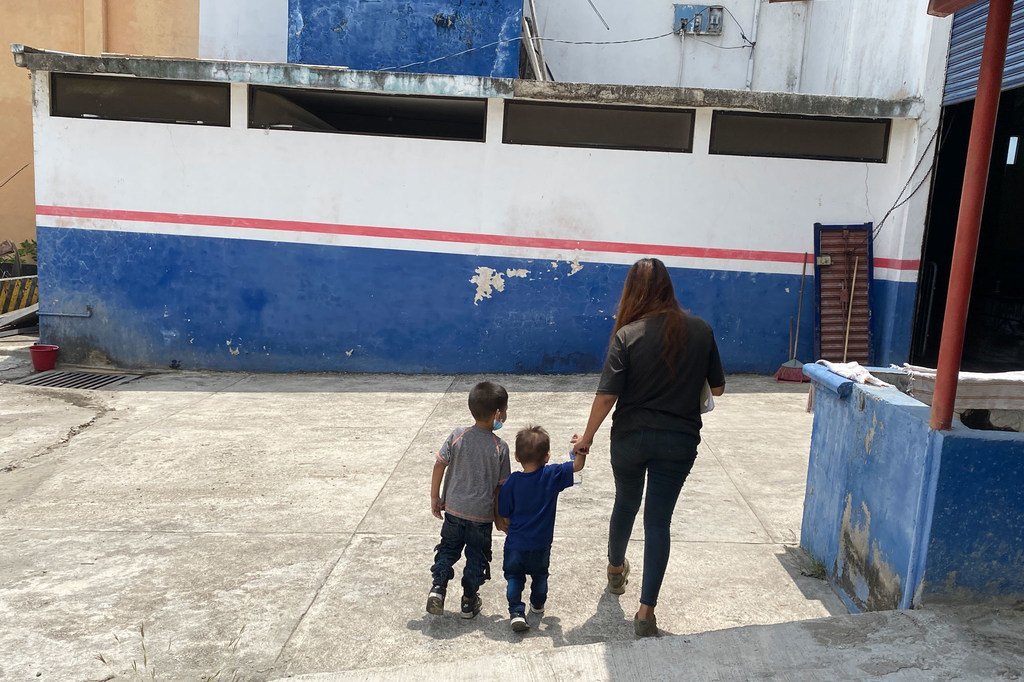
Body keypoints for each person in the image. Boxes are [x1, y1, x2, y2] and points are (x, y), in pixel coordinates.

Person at [573, 258, 725, 637]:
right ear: (668, 287)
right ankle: (645, 613)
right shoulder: (701, 330)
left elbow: (607, 395)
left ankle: (615, 569)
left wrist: (586, 439)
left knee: (625, 502)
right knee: (658, 521)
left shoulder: (627, 335)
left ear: (632, 291)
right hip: (679, 440)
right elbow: (719, 388)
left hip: (630, 438)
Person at [427, 381, 512, 619]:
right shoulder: (500, 447)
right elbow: (500, 489)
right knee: (477, 558)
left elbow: (439, 464)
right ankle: (468, 600)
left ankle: (438, 588)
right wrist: (499, 518)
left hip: (454, 511)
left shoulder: (458, 435)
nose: (506, 415)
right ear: (497, 414)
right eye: (506, 411)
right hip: (481, 517)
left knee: (447, 550)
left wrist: (435, 497)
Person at [497, 426, 586, 632]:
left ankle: (516, 612)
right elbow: (577, 466)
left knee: (514, 577)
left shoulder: (511, 483)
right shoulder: (552, 475)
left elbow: (504, 513)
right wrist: (580, 448)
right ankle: (537, 604)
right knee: (540, 576)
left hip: (516, 544)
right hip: (541, 544)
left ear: (517, 457)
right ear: (547, 456)